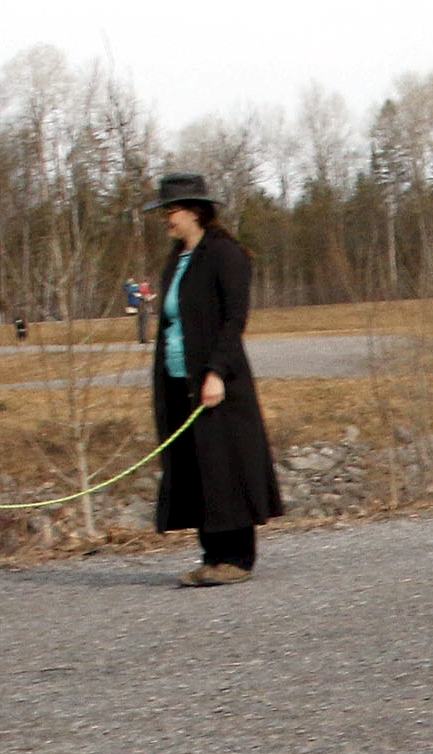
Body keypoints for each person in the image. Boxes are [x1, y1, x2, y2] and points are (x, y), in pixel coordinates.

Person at [143, 172, 283, 587]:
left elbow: (233, 320)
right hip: (179, 380)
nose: (166, 219)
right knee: (197, 467)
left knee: (226, 465)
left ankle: (236, 558)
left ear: (194, 211)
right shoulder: (178, 257)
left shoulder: (225, 254)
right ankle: (212, 556)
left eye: (171, 210)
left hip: (219, 382)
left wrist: (217, 372)